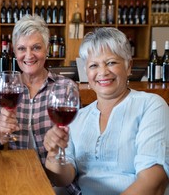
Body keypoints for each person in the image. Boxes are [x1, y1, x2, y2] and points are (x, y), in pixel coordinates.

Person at [44, 27, 169, 195]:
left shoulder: (151, 106)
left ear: (128, 66)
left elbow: (153, 184)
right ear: (86, 72)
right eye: (94, 65)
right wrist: (53, 153)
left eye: (111, 62)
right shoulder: (78, 116)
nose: (102, 72)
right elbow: (62, 179)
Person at [0, 14, 80, 194]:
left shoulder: (65, 88)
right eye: (22, 48)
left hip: (58, 183)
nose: (29, 55)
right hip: (19, 180)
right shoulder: (7, 89)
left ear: (47, 49)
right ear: (15, 52)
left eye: (36, 47)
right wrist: (1, 128)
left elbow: (76, 145)